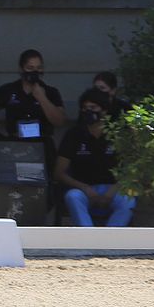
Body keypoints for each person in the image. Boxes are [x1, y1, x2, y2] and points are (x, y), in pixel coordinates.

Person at [56, 89, 135, 227]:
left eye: (93, 108)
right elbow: (59, 172)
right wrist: (84, 188)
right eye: (85, 108)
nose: (88, 111)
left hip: (114, 188)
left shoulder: (118, 135)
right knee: (72, 197)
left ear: (104, 111)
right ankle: (88, 239)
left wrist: (114, 190)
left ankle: (110, 241)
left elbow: (132, 169)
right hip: (84, 189)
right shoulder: (74, 134)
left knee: (128, 201)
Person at [0, 49, 67, 142]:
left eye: (39, 68)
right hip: (15, 142)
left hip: (42, 141)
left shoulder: (51, 92)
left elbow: (59, 121)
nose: (35, 72)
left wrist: (42, 98)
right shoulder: (8, 90)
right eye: (30, 68)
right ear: (21, 69)